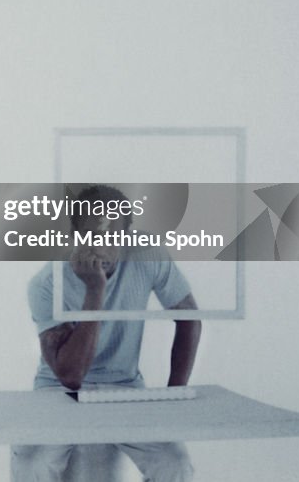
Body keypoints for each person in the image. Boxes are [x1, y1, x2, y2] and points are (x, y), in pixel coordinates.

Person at [12, 185, 200, 482]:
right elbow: (71, 376)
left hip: (125, 387)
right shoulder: (47, 283)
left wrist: (174, 394)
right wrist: (95, 288)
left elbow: (190, 318)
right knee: (31, 463)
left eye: (113, 235)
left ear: (127, 236)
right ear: (74, 234)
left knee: (174, 462)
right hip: (57, 392)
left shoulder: (148, 256)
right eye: (92, 235)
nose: (102, 245)